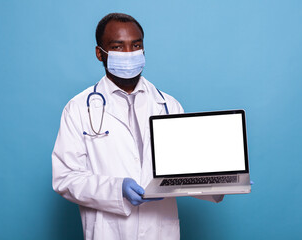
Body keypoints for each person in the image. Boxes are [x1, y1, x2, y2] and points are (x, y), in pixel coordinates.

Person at [52, 13, 224, 240]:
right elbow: (65, 178)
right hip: (109, 231)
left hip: (160, 230)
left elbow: (183, 173)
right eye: (118, 46)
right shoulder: (78, 109)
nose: (129, 53)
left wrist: (220, 181)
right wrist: (117, 189)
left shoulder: (168, 105)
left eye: (136, 45)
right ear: (99, 53)